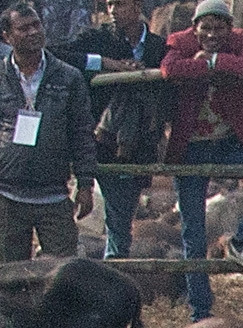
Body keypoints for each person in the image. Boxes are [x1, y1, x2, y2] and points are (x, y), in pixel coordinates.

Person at [161, 0, 243, 318]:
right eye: (205, 28)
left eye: (219, 28)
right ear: (195, 28)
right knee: (193, 231)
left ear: (229, 29)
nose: (212, 34)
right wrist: (205, 65)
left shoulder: (240, 41)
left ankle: (241, 238)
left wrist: (214, 60)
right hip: (190, 149)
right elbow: (169, 69)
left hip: (226, 146)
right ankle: (200, 310)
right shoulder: (179, 42)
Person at [0, 0, 89, 257]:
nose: (33, 32)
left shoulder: (68, 77)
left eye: (36, 25)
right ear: (7, 37)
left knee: (63, 275)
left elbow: (82, 134)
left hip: (54, 194)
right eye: (23, 28)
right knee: (10, 280)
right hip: (7, 195)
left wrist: (85, 183)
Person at [78, 0, 161, 257]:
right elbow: (56, 53)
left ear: (137, 6)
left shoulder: (158, 46)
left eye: (121, 3)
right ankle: (114, 264)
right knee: (116, 215)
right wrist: (107, 64)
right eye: (109, 4)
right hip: (102, 139)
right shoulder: (97, 38)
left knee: (123, 213)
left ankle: (116, 264)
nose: (113, 10)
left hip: (140, 142)